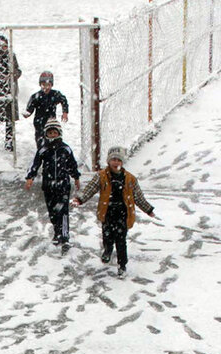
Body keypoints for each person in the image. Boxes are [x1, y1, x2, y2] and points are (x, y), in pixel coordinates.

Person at [73, 146, 157, 277]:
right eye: (113, 160)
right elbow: (90, 189)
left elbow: (138, 197)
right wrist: (80, 199)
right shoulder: (101, 176)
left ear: (122, 162)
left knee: (121, 240)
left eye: (118, 160)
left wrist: (148, 209)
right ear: (108, 161)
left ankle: (122, 265)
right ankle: (107, 250)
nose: (116, 162)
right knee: (107, 235)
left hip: (123, 213)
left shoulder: (130, 179)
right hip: (107, 212)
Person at [25, 117, 81, 249]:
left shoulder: (65, 149)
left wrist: (76, 177)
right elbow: (35, 164)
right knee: (53, 211)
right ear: (46, 134)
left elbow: (72, 165)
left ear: (59, 133)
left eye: (54, 132)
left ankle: (65, 236)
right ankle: (57, 233)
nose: (52, 135)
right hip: (49, 185)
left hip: (63, 185)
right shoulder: (43, 150)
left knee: (64, 211)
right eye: (50, 133)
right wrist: (30, 177)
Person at [22, 70, 69, 150]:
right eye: (43, 85)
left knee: (52, 136)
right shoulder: (36, 96)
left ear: (51, 85)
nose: (46, 87)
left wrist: (65, 112)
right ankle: (41, 151)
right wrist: (28, 113)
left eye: (48, 85)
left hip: (51, 121)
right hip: (39, 121)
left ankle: (53, 151)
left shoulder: (55, 94)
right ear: (40, 85)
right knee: (40, 138)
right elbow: (30, 107)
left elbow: (64, 100)